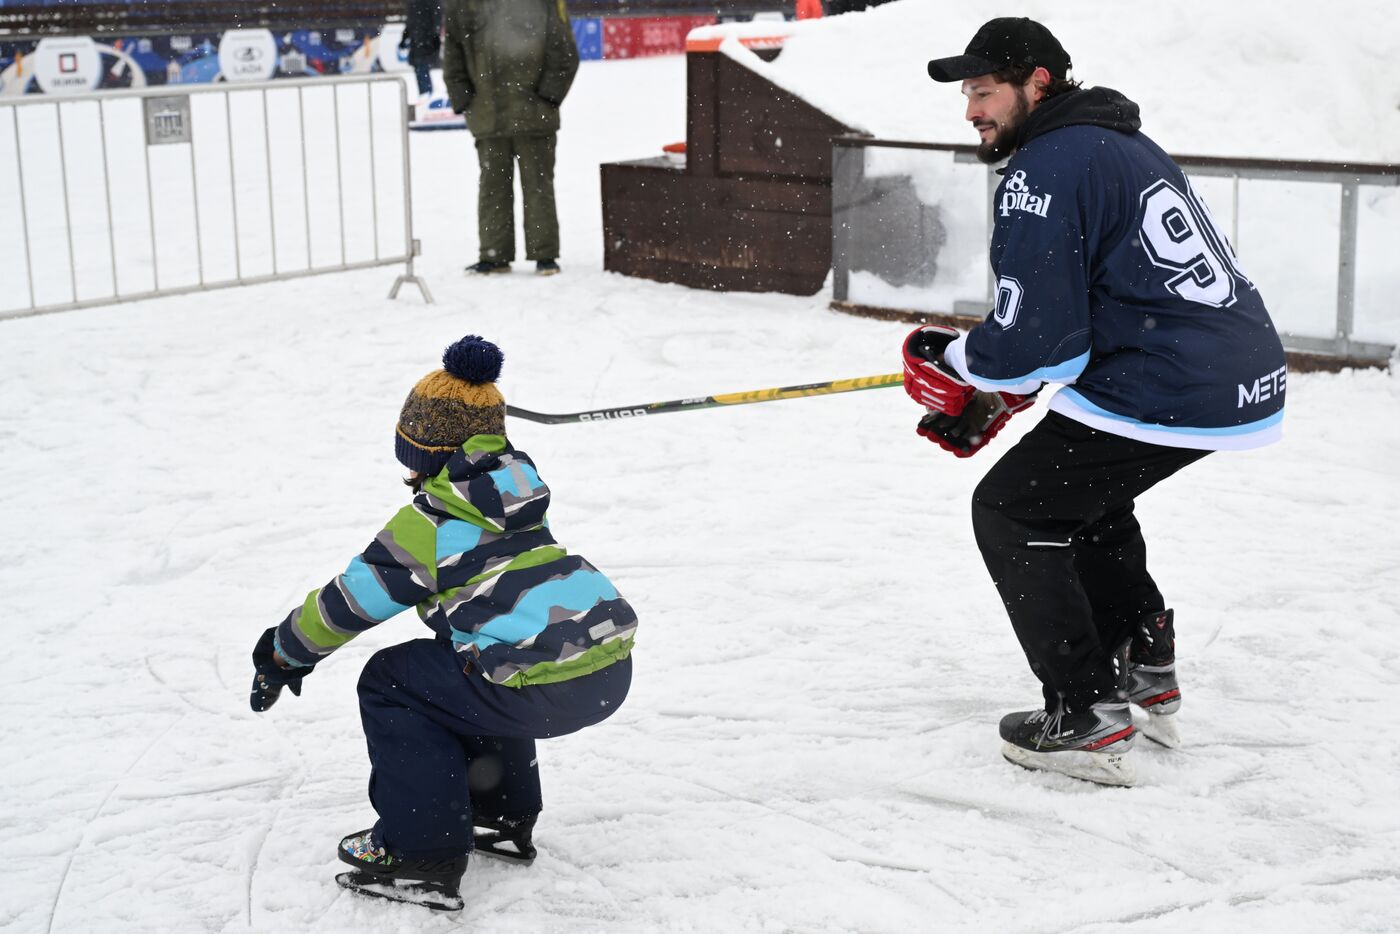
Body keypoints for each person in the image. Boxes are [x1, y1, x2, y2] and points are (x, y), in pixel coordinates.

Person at [904, 18, 1286, 786]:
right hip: (1231, 369)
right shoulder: (1112, 141)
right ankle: (1143, 659)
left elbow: (1040, 341)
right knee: (1079, 496)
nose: (971, 110)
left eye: (984, 91)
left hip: (1170, 376)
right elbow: (1067, 328)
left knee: (1013, 512)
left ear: (1037, 82)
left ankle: (1083, 710)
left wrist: (962, 361)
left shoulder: (1047, 165)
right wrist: (1006, 375)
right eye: (968, 93)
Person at [249, 335, 637, 911]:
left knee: (393, 680)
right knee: (470, 658)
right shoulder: (519, 491)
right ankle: (495, 810)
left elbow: (347, 603)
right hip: (606, 668)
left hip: (550, 681)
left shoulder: (431, 525)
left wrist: (283, 652)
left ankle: (419, 853)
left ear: (424, 454)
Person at [441, 0, 579, 277]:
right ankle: (494, 254)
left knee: (538, 186)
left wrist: (547, 98)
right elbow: (453, 58)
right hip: (488, 117)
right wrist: (467, 101)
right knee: (492, 187)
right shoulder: (463, 6)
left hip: (534, 116)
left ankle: (545, 254)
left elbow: (564, 54)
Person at [399, 0, 443, 102]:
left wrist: (435, 36)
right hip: (419, 41)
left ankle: (427, 97)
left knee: (422, 69)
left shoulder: (426, 3)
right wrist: (404, 37)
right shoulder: (415, 4)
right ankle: (425, 96)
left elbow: (436, 18)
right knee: (420, 69)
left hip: (424, 41)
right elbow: (410, 23)